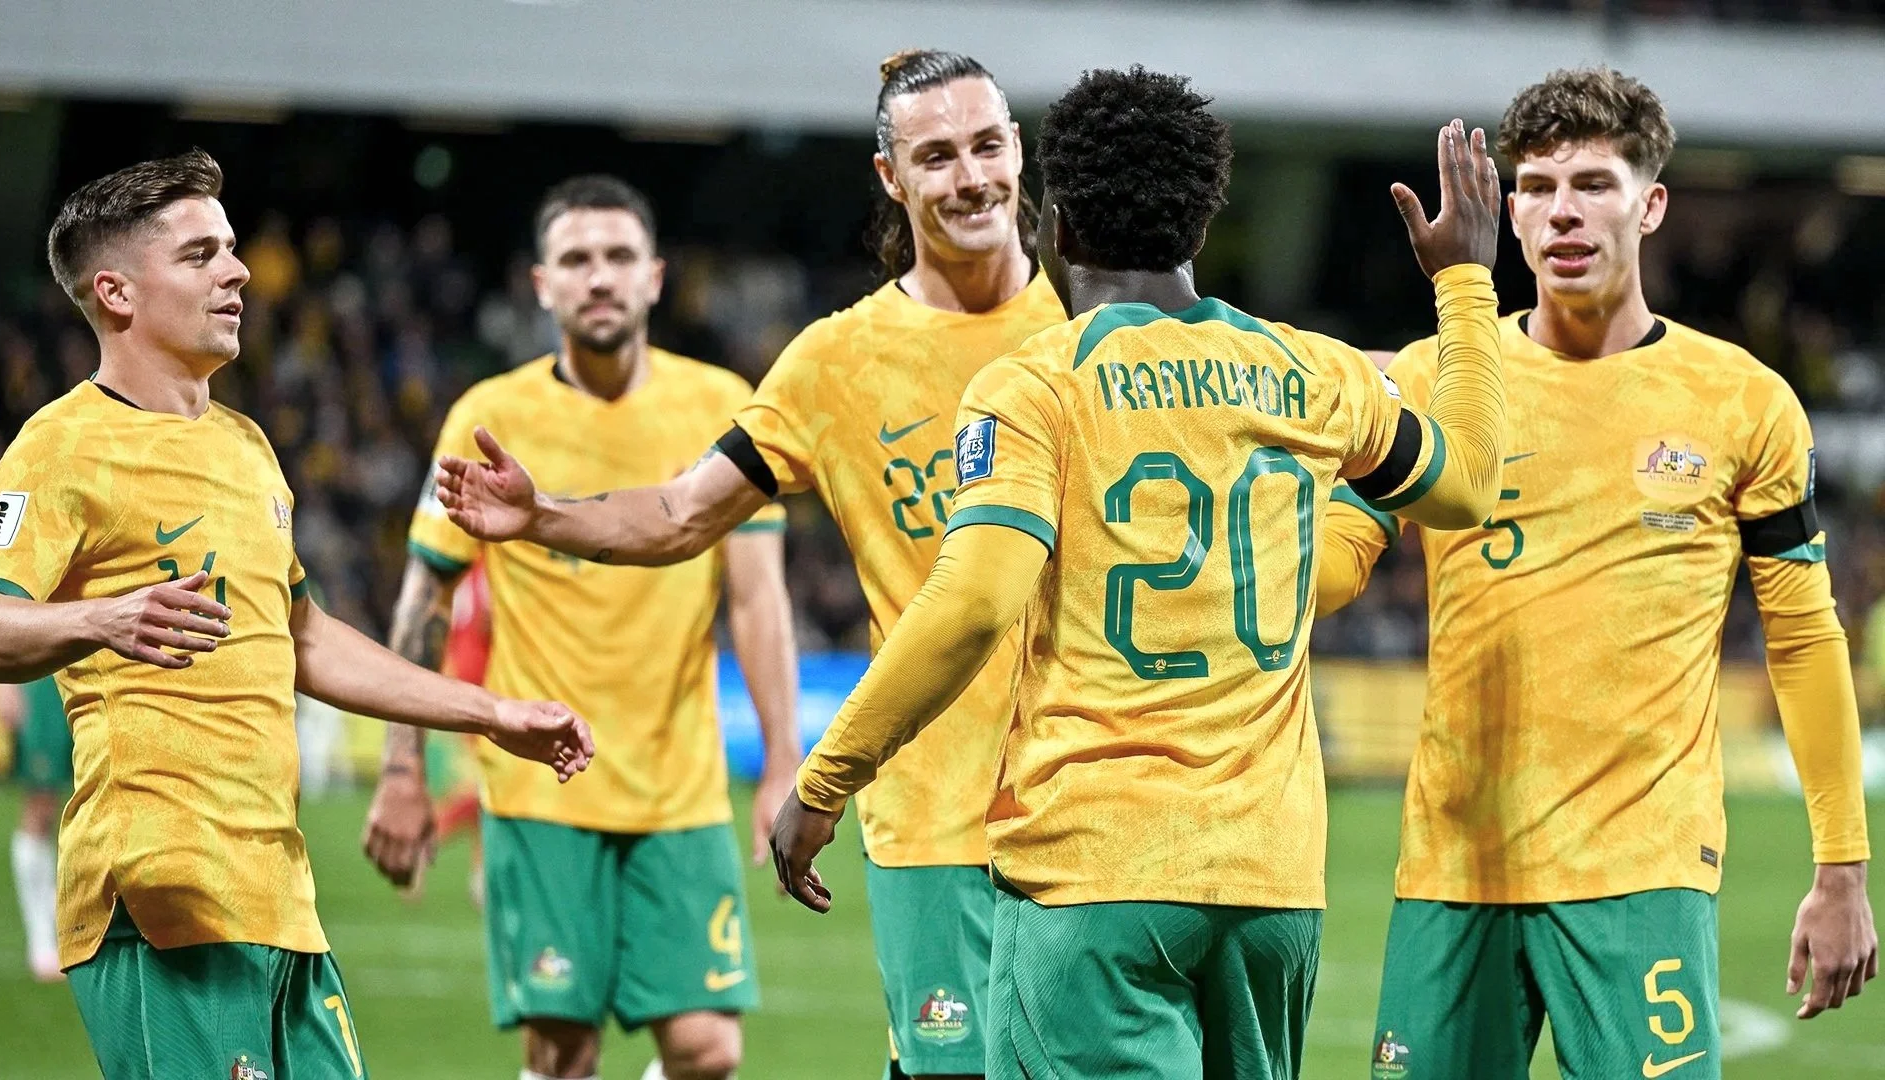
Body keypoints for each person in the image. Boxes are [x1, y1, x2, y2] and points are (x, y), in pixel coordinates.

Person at [761, 66, 1507, 1079]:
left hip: (1093, 872)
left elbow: (974, 600)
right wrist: (1465, 287)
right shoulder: (1312, 375)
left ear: (1057, 225)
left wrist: (827, 775)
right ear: (1204, 221)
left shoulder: (1033, 387)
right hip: (1270, 886)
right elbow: (1462, 487)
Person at [421, 50, 1066, 1080]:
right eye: (935, 156)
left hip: (1100, 805)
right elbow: (681, 513)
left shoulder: (1093, 323)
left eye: (988, 146)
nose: (970, 177)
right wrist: (543, 514)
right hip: (935, 821)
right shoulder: (837, 361)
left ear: (1020, 152)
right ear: (891, 178)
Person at [0, 150, 594, 1080]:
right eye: (200, 254)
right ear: (116, 291)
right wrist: (102, 620)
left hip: (278, 894)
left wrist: (493, 712)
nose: (240, 269)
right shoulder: (61, 447)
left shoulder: (246, 446)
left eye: (231, 247)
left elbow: (301, 635)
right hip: (160, 891)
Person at [1310, 67, 1878, 1080]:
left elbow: (1801, 639)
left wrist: (1842, 867)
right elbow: (1335, 568)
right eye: (1535, 187)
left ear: (1651, 203)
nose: (1562, 211)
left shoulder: (1744, 403)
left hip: (1642, 874)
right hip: (1454, 866)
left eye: (1594, 183)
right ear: (1509, 213)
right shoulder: (1435, 378)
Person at [361, 174, 800, 1080]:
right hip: (542, 791)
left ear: (655, 278)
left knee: (708, 1049)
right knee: (563, 1052)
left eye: (618, 257)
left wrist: (784, 764)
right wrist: (401, 768)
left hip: (680, 786)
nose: (598, 277)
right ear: (541, 285)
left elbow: (759, 599)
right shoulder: (489, 418)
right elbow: (425, 600)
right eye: (576, 260)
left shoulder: (723, 406)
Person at [0, 676, 70, 981]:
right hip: (43, 678)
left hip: (99, 669)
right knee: (41, 805)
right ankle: (41, 940)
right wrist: (3, 684)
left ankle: (75, 925)